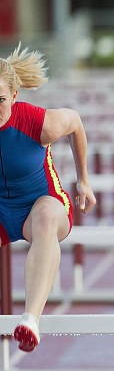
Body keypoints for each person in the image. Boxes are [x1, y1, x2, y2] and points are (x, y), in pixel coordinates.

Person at [0, 44, 96, 352]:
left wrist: (83, 179)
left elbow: (76, 123)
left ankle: (31, 320)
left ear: (14, 96)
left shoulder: (39, 122)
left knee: (43, 218)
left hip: (42, 203)